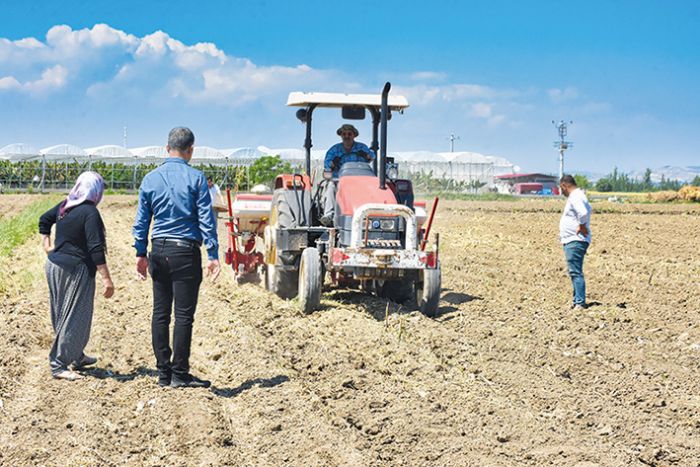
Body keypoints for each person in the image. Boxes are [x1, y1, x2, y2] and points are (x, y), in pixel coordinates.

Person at [132, 127, 220, 389]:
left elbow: (141, 222)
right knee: (183, 316)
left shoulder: (150, 179)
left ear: (166, 147)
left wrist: (140, 253)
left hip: (158, 250)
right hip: (185, 251)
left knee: (160, 312)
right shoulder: (196, 179)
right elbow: (206, 219)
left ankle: (163, 373)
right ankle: (180, 374)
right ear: (190, 150)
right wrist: (213, 254)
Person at [39, 171, 114, 381]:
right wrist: (107, 279)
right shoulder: (89, 212)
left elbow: (44, 220)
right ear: (96, 190)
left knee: (63, 313)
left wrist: (47, 245)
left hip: (54, 266)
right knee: (75, 316)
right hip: (75, 269)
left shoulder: (66, 206)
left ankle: (76, 356)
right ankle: (58, 364)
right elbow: (95, 247)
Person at [320, 124, 376, 226]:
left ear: (354, 135)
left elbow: (371, 156)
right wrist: (333, 163)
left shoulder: (361, 147)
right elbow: (327, 164)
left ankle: (372, 214)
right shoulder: (334, 150)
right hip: (339, 181)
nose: (346, 136)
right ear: (341, 135)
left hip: (360, 181)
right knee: (331, 186)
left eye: (349, 134)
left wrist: (366, 155)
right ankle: (329, 215)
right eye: (344, 134)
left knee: (374, 188)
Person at [559, 175, 592, 310]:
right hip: (573, 239)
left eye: (561, 189)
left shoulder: (575, 196)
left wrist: (582, 226)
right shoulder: (579, 195)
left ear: (563, 186)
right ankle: (576, 300)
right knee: (574, 271)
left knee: (575, 271)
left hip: (575, 239)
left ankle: (579, 302)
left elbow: (583, 213)